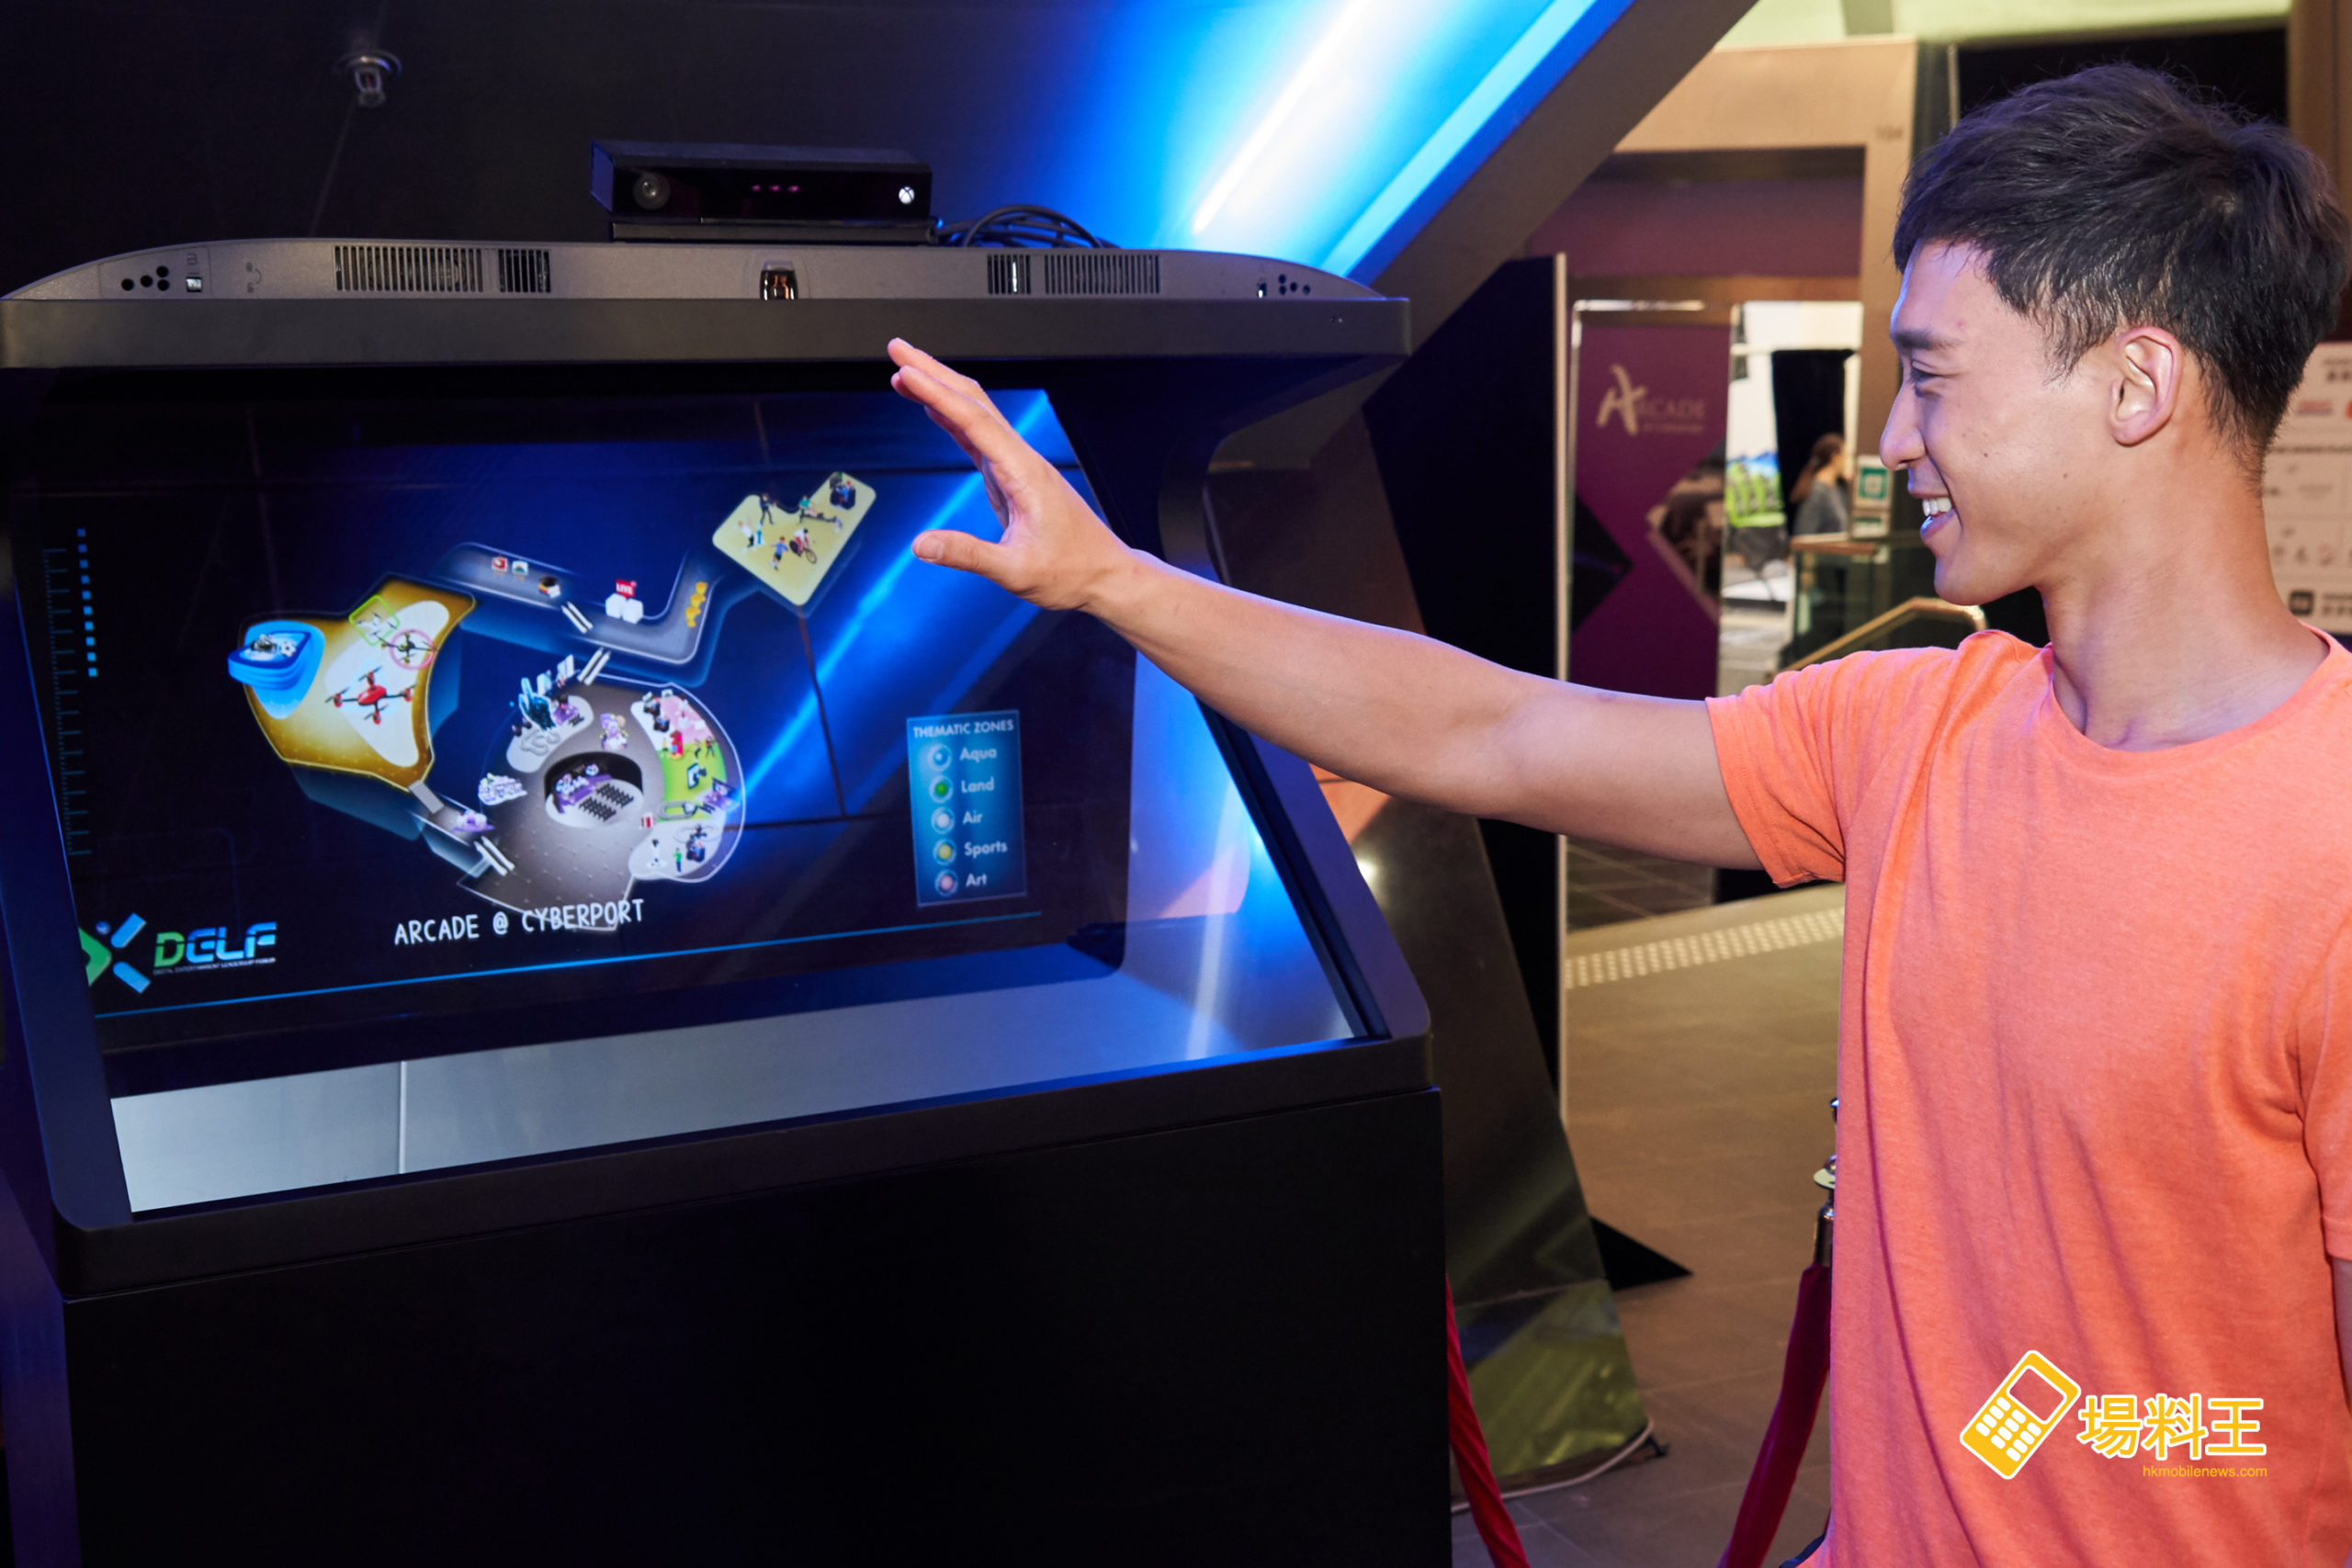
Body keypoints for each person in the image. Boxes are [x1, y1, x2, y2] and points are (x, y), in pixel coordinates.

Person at [885, 63, 2352, 1567]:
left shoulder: (2332, 844)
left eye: (1931, 374)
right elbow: (1497, 729)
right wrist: (1115, 580)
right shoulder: (1912, 729)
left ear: (2136, 386)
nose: (1893, 438)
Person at [1784, 431, 1850, 536]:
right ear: (1835, 457)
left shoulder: (1836, 489)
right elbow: (1804, 533)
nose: (1846, 461)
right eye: (1845, 456)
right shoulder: (1817, 492)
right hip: (1823, 547)